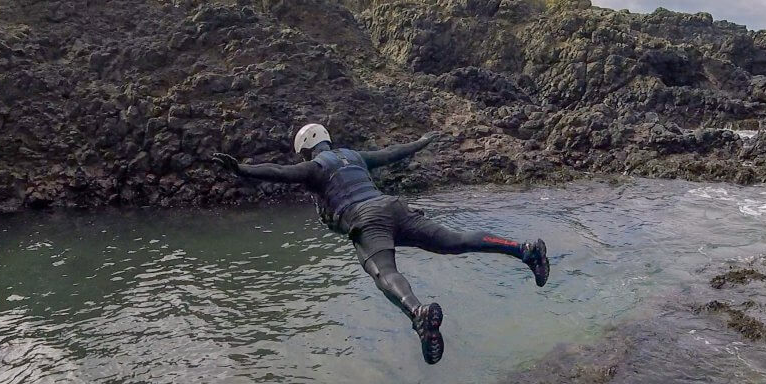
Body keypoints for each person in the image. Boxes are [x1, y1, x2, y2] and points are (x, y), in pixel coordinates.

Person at [211, 124, 550, 365]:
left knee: (383, 272)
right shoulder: (353, 156)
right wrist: (421, 142)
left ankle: (417, 312)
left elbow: (279, 172)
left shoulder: (314, 167)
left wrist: (242, 169)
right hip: (393, 207)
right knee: (455, 241)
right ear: (328, 139)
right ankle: (524, 250)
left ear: (304, 148)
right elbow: (392, 153)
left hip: (365, 219)